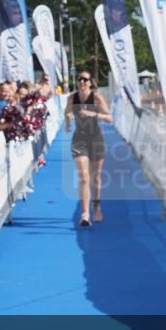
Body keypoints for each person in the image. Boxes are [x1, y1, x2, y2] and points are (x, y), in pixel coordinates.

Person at [65, 72, 113, 227]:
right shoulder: (72, 98)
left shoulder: (96, 97)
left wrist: (93, 113)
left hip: (96, 139)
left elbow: (109, 118)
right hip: (79, 139)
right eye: (79, 79)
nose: (82, 81)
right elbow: (66, 111)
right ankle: (85, 214)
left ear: (90, 83)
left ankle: (97, 207)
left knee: (96, 178)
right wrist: (67, 121)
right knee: (84, 178)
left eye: (85, 79)